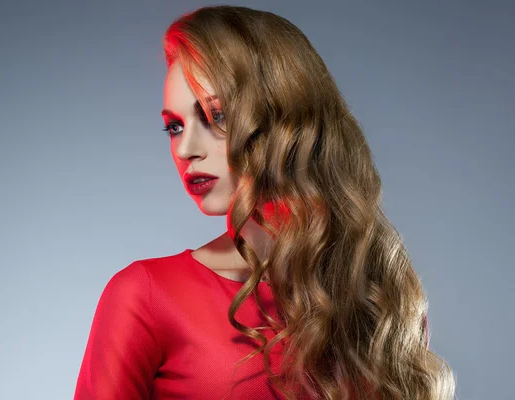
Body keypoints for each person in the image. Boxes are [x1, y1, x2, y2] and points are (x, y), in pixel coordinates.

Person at [74, 5, 456, 400]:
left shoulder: (377, 295)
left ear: (284, 119)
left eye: (215, 116)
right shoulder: (147, 297)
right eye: (175, 126)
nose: (185, 148)